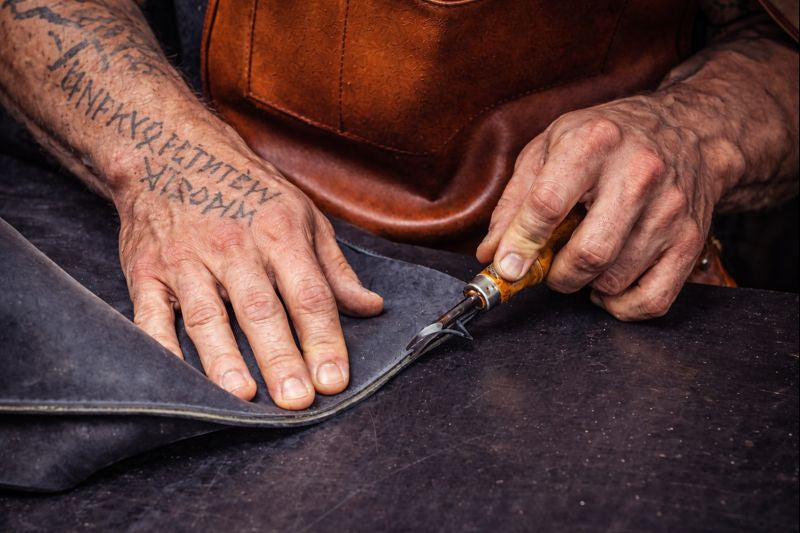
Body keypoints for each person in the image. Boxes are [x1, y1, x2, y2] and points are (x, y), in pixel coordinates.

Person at [0, 0, 796, 410]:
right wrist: (164, 157)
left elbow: (778, 41)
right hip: (204, 218)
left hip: (585, 269)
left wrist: (694, 132)